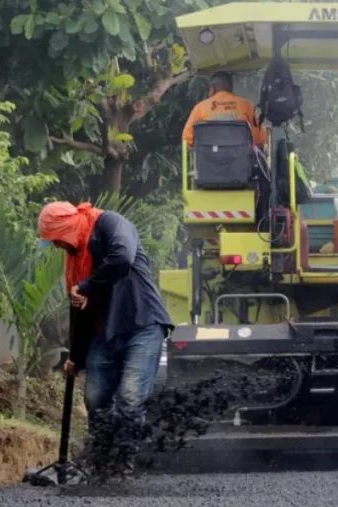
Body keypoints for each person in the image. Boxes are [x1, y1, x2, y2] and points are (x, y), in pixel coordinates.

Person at [38, 201, 175, 481]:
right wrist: (74, 357)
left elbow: (122, 260)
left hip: (142, 324)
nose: (57, 247)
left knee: (130, 397)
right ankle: (102, 459)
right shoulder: (74, 264)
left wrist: (87, 286)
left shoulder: (111, 224)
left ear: (68, 227)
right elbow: (80, 314)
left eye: (56, 240)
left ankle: (123, 463)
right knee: (95, 398)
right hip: (104, 332)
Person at [183, 71, 268, 149]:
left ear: (213, 88)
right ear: (231, 89)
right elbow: (260, 137)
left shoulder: (200, 108)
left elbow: (187, 139)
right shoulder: (247, 105)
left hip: (209, 163)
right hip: (241, 162)